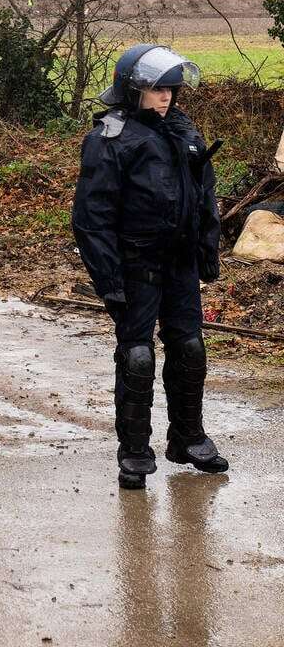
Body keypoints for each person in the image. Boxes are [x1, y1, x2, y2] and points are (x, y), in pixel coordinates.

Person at [72, 44, 230, 490]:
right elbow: (91, 216)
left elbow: (204, 198)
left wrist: (207, 251)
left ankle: (188, 437)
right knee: (137, 355)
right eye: (157, 89)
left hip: (180, 263)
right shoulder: (111, 137)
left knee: (191, 348)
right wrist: (109, 280)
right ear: (134, 89)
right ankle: (135, 452)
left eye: (171, 89)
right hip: (136, 265)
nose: (166, 97)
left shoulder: (185, 133)